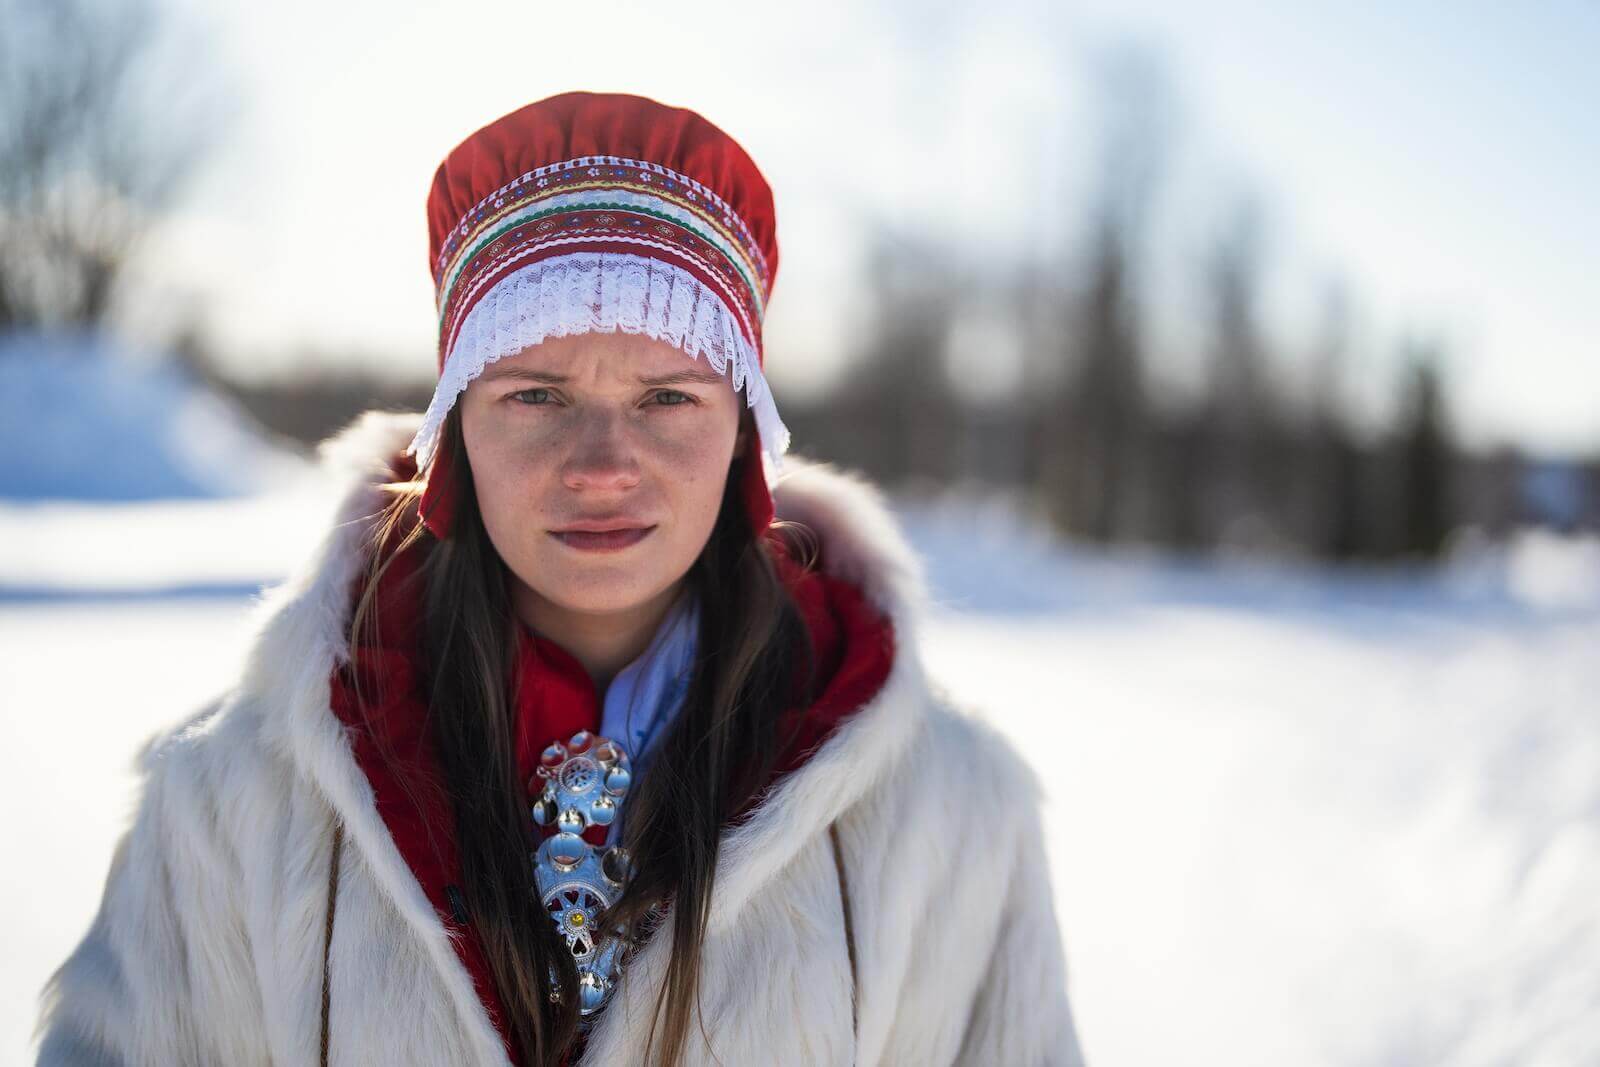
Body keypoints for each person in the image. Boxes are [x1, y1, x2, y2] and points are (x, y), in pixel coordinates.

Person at [33, 90, 1086, 1067]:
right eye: (535, 395)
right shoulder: (232, 803)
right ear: (457, 429)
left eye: (667, 397)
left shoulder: (950, 815)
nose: (602, 464)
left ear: (742, 436)